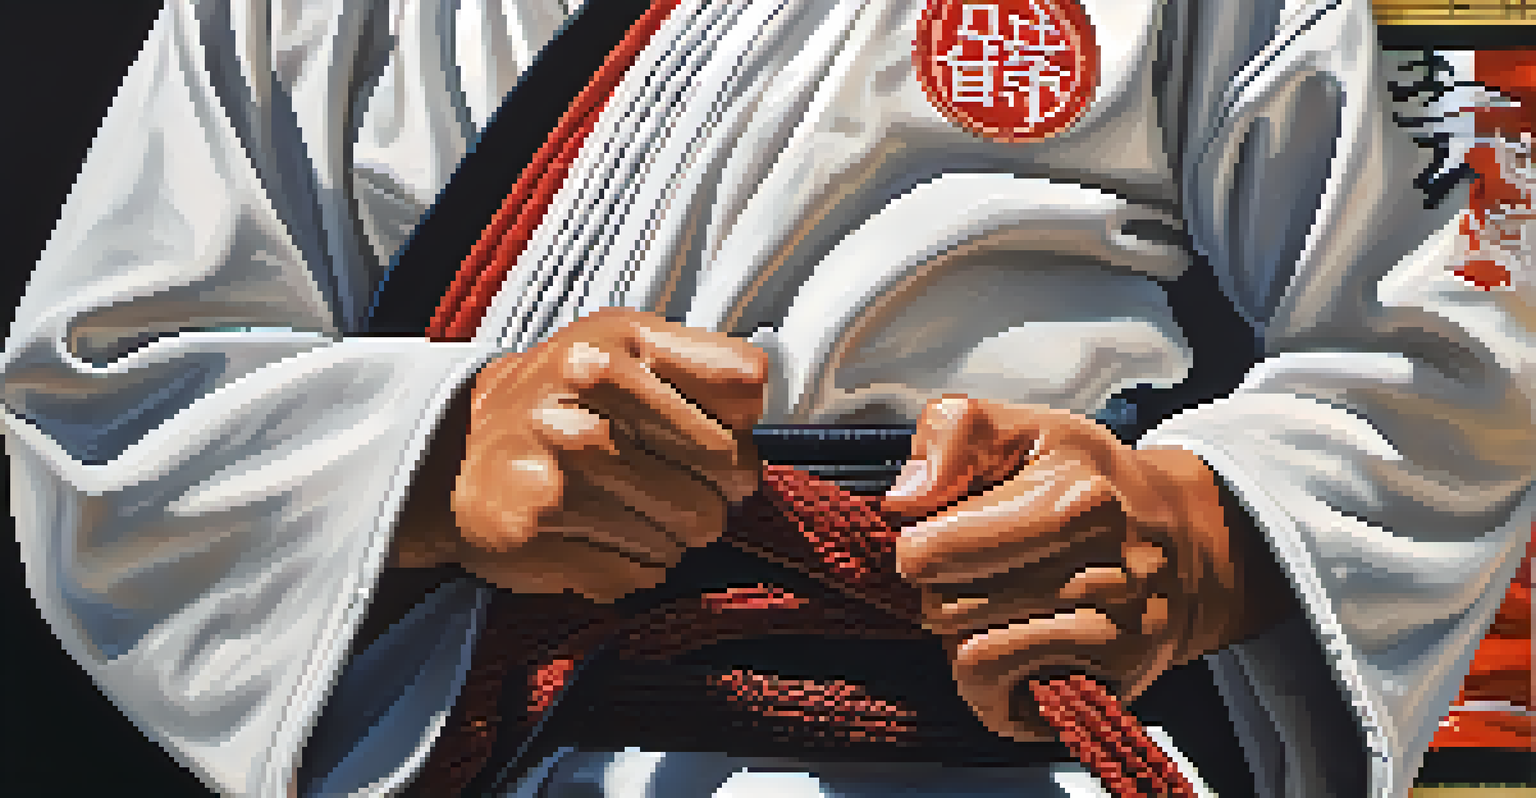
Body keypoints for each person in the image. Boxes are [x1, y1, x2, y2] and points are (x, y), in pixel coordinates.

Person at [2, 1, 1530, 797]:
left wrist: (1197, 531)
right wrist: (426, 456)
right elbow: (107, 377)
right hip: (491, 749)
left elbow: (1480, 304)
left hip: (1001, 749)